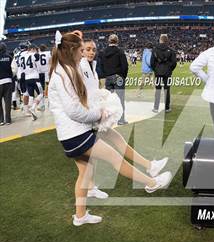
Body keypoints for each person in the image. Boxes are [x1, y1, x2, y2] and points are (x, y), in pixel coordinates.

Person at [48, 31, 172, 226]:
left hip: (74, 131)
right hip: (75, 132)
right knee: (114, 158)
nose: (84, 54)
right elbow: (74, 111)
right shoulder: (64, 73)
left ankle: (80, 217)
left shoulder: (64, 69)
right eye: (82, 50)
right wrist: (99, 114)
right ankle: (151, 183)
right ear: (71, 50)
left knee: (85, 173)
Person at [98, 34, 128, 125]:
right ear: (117, 41)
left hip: (108, 77)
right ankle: (121, 120)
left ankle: (108, 120)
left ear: (109, 41)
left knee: (108, 100)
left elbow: (101, 66)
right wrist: (122, 76)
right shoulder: (120, 51)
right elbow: (125, 66)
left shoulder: (103, 52)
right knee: (120, 99)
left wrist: (106, 75)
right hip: (118, 77)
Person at [151, 34, 177, 113]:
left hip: (158, 73)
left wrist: (155, 70)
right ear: (167, 40)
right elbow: (174, 63)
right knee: (167, 90)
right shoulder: (171, 50)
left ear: (160, 40)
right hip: (167, 73)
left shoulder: (155, 50)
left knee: (158, 90)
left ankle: (156, 107)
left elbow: (152, 63)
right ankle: (167, 108)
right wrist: (169, 70)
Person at [21, 44, 43, 121]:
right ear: (32, 49)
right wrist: (38, 51)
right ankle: (33, 108)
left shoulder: (22, 56)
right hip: (34, 78)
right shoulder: (33, 54)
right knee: (41, 94)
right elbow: (38, 57)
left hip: (27, 78)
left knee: (31, 95)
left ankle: (30, 109)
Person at [0, 43, 13, 125]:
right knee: (8, 101)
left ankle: (1, 120)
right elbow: (14, 69)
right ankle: (8, 120)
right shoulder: (9, 57)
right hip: (8, 81)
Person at [37, 44, 51, 111]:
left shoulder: (37, 54)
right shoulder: (48, 53)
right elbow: (51, 61)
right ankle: (50, 103)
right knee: (50, 87)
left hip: (39, 73)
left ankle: (42, 105)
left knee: (41, 90)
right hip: (47, 72)